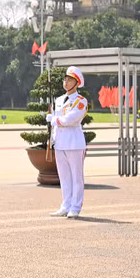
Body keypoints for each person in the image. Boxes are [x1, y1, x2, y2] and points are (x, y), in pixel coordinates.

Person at [47, 66, 88, 219]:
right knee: (64, 177)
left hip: (74, 142)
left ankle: (75, 207)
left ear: (76, 83)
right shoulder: (58, 100)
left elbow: (71, 119)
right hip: (60, 142)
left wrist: (54, 120)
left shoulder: (80, 101)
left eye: (70, 79)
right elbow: (57, 122)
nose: (66, 82)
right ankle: (65, 205)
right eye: (65, 79)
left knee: (76, 177)